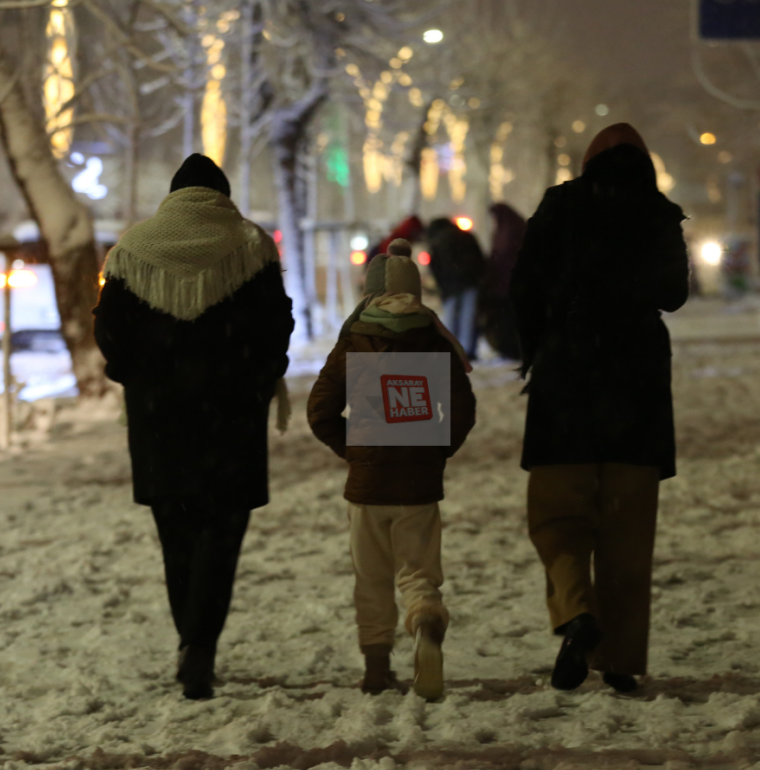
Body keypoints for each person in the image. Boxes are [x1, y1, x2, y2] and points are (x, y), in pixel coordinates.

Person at [93, 153, 294, 700]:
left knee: (175, 535)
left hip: (160, 421)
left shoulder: (133, 252)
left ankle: (190, 638)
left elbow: (111, 333)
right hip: (230, 419)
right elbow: (276, 327)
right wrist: (255, 378)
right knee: (221, 534)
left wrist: (141, 375)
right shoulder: (251, 246)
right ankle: (201, 645)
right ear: (222, 194)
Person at [510, 123, 690, 693]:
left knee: (557, 518)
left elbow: (523, 286)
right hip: (635, 384)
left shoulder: (559, 207)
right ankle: (620, 660)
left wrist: (535, 347)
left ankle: (576, 611)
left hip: (567, 380)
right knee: (628, 531)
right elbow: (674, 295)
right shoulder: (659, 214)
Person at [307, 239, 476, 700]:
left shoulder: (355, 339)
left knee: (372, 578)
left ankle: (376, 669)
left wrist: (357, 451)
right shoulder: (433, 338)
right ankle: (423, 615)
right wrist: (435, 451)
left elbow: (320, 411)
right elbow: (462, 410)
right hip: (418, 484)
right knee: (419, 571)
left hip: (367, 486)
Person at [427, 218, 486, 360]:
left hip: (450, 285)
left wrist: (441, 285)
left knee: (451, 317)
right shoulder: (466, 236)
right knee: (468, 317)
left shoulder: (438, 241)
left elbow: (435, 266)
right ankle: (466, 350)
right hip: (469, 282)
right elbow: (479, 259)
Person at [484, 203, 526, 359]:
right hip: (505, 284)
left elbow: (503, 255)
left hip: (507, 284)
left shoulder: (509, 230)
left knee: (509, 318)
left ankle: (511, 349)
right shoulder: (510, 227)